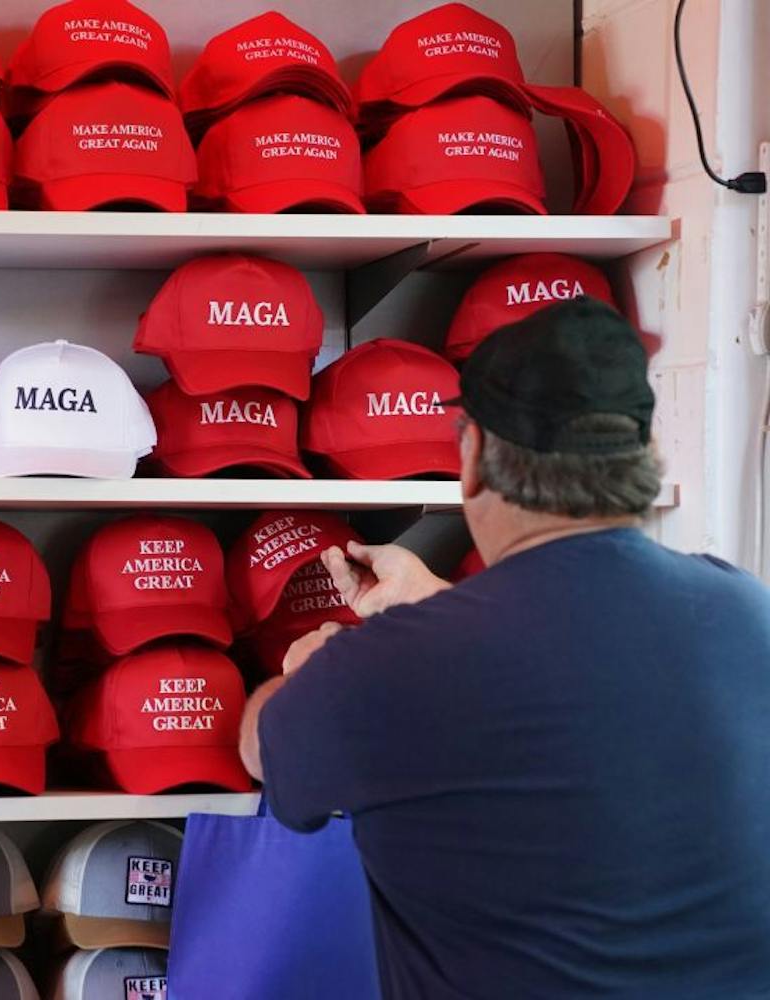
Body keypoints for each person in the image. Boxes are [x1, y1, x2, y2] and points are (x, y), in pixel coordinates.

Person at [240, 299, 770, 999]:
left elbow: (264, 754)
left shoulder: (385, 671)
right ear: (644, 455)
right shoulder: (745, 612)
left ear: (475, 460)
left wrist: (309, 673)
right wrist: (437, 609)